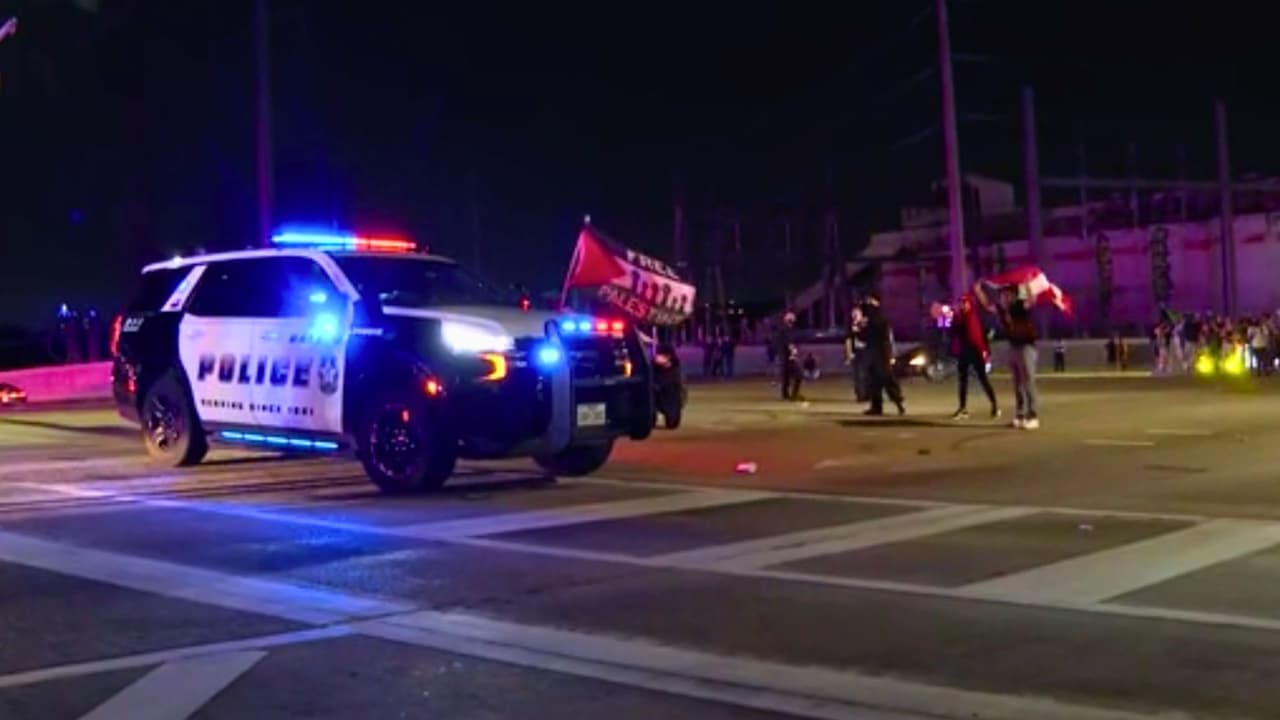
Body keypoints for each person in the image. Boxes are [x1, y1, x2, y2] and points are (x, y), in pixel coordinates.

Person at [950, 293, 999, 420]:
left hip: (976, 351)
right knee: (963, 381)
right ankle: (963, 409)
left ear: (970, 304)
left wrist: (985, 352)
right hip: (964, 352)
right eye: (961, 303)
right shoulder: (959, 317)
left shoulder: (975, 317)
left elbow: (980, 337)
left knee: (983, 379)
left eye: (965, 302)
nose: (962, 305)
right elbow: (954, 332)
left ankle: (995, 406)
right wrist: (954, 318)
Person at [997, 286, 1039, 429]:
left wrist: (1028, 287)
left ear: (1014, 297)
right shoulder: (1003, 311)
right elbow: (987, 305)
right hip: (1013, 347)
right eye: (1002, 296)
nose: (1004, 299)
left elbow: (1032, 301)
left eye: (1007, 296)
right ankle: (1020, 415)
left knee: (1028, 381)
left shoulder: (1020, 306)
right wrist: (978, 290)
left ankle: (1033, 416)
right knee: (1017, 384)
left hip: (1026, 346)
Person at [859, 293, 905, 416]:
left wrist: (861, 328)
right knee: (877, 381)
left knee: (884, 379)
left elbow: (870, 335)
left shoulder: (876, 318)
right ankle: (879, 406)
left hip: (880, 353)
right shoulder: (876, 317)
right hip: (878, 353)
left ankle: (896, 404)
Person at [774, 311, 802, 401]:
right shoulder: (786, 329)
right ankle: (793, 395)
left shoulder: (783, 329)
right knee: (798, 375)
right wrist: (793, 352)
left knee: (785, 376)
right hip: (787, 356)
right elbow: (789, 343)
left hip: (783, 356)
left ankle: (786, 394)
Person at [844, 306, 869, 402]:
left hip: (865, 351)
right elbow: (848, 340)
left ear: (861, 314)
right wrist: (848, 353)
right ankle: (860, 395)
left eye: (856, 314)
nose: (854, 316)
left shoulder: (865, 324)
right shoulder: (851, 326)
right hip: (856, 352)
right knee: (857, 375)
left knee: (866, 374)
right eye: (853, 314)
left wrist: (858, 330)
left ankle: (866, 394)